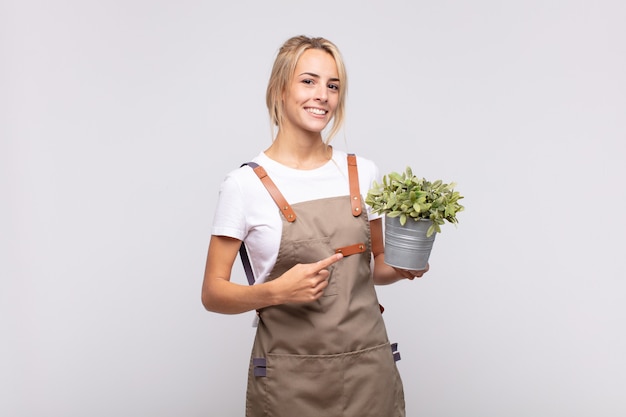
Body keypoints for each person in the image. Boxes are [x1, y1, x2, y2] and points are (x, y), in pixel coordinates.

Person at [201, 35, 429, 417]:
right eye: (308, 81)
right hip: (290, 381)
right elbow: (212, 293)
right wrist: (275, 291)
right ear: (279, 89)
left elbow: (375, 267)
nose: (322, 95)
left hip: (368, 373)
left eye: (333, 85)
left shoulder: (362, 173)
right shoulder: (244, 185)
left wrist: (407, 267)